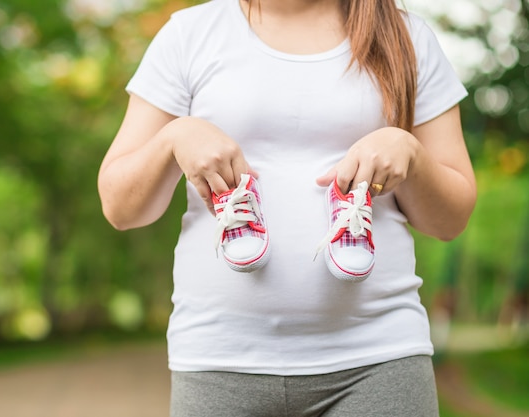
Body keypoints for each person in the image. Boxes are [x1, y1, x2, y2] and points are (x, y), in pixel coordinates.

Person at [97, 0, 477, 415]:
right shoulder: (189, 33)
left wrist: (412, 153)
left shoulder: (408, 38)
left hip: (379, 360)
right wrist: (174, 138)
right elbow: (120, 207)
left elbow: (451, 219)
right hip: (219, 362)